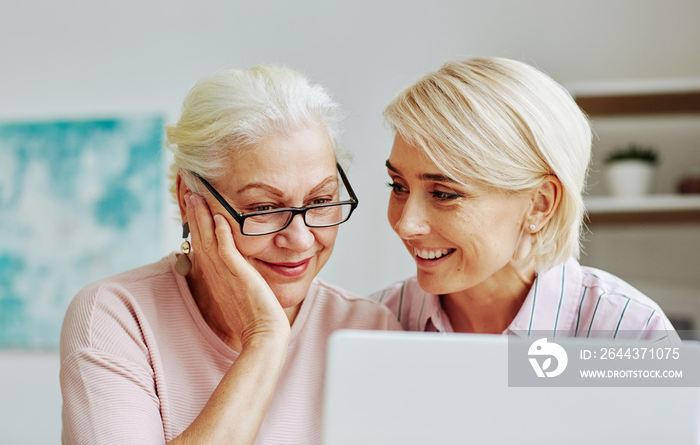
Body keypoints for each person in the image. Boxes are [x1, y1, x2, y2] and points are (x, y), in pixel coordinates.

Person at [60, 65, 400, 444]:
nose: (301, 240)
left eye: (320, 201)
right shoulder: (117, 317)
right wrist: (265, 340)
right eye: (264, 208)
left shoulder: (369, 330)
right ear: (189, 200)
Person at [371, 57, 677, 341]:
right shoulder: (374, 323)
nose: (405, 225)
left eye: (444, 194)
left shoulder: (631, 332)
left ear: (539, 204)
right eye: (398, 186)